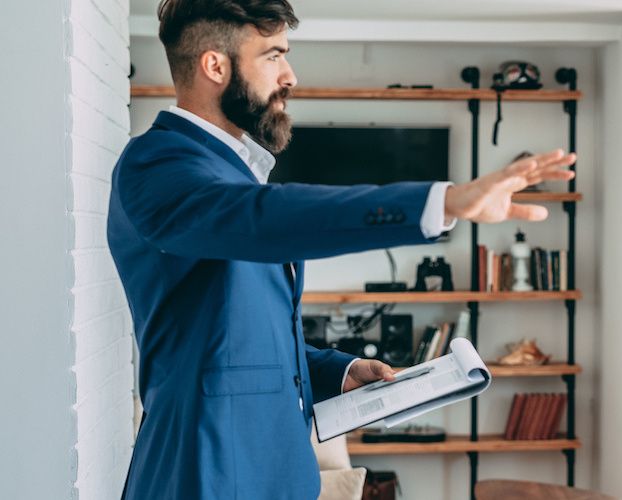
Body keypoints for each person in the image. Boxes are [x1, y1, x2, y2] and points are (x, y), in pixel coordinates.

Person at [108, 1, 575, 498]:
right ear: (215, 65)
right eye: (272, 56)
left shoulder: (234, 172)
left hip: (279, 475)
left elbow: (237, 344)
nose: (290, 75)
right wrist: (444, 200)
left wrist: (342, 370)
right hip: (203, 474)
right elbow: (260, 216)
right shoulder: (156, 165)